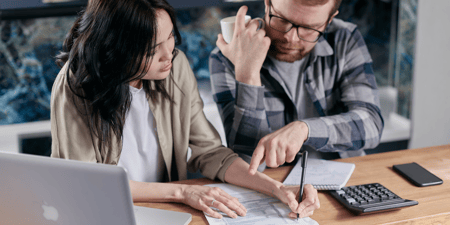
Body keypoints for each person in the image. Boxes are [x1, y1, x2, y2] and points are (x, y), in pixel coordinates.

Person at [50, 0, 320, 219]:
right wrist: (180, 193)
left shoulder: (175, 67)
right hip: (104, 214)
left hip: (166, 213)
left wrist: (276, 188)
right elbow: (87, 183)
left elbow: (211, 153)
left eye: (170, 38)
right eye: (152, 50)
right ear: (116, 49)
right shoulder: (75, 85)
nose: (169, 54)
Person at [209, 0, 384, 175]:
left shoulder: (344, 38)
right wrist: (248, 75)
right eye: (282, 20)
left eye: (310, 28)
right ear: (267, 4)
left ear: (329, 20)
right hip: (272, 186)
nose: (290, 38)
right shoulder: (227, 57)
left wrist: (305, 130)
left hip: (345, 176)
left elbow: (371, 126)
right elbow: (246, 164)